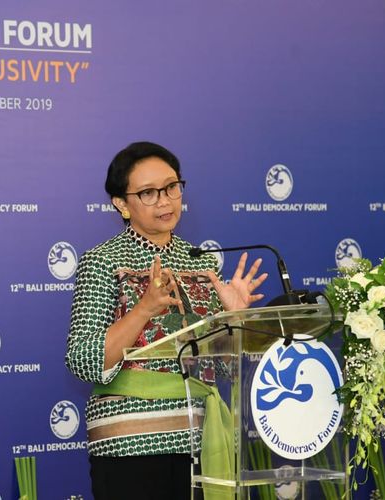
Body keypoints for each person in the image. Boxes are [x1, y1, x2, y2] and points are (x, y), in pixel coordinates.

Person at [65, 142, 268, 499]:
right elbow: (83, 361)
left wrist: (234, 320)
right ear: (121, 204)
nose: (165, 200)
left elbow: (222, 370)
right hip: (131, 445)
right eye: (148, 193)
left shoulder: (201, 263)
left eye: (172, 187)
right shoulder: (101, 262)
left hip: (203, 438)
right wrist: (143, 309)